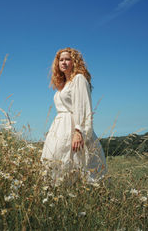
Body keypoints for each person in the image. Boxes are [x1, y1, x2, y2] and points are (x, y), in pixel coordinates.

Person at [41, 47, 107, 184]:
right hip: (59, 128)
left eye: (67, 59)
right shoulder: (63, 84)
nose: (64, 62)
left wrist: (79, 131)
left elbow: (83, 107)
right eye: (61, 60)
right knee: (57, 163)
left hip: (73, 127)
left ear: (74, 62)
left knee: (79, 163)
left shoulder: (79, 79)